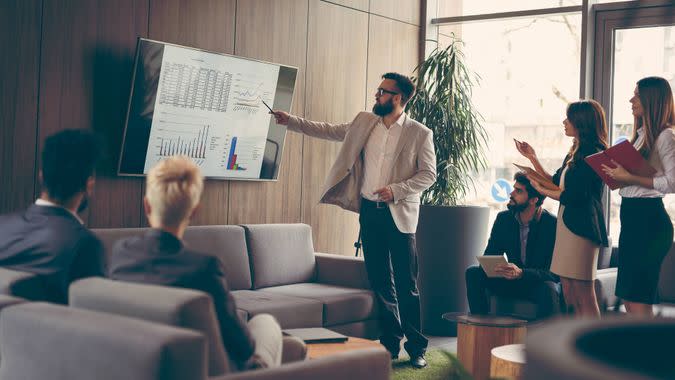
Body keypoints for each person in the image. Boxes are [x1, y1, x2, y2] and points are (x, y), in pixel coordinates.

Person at [272, 72, 436, 368]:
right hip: (370, 212)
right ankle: (389, 344)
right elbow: (331, 130)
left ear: (398, 97)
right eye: (377, 90)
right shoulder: (364, 122)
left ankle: (417, 348)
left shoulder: (420, 133)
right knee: (380, 282)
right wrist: (291, 121)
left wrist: (396, 190)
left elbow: (428, 175)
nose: (377, 95)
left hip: (400, 215)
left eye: (383, 91)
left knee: (406, 284)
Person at [108, 156, 282, 371]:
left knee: (294, 348)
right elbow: (243, 347)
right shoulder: (203, 268)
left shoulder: (121, 255)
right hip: (213, 371)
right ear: (194, 210)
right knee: (266, 323)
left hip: (144, 366)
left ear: (147, 205)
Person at [516, 100, 609, 317]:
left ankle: (592, 345)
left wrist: (541, 188)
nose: (564, 122)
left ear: (581, 122)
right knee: (568, 289)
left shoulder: (594, 153)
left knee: (584, 292)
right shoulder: (575, 153)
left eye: (569, 118)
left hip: (582, 228)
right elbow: (556, 181)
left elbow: (573, 195)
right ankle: (574, 339)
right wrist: (532, 159)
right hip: (568, 225)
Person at [0, 129, 105, 304]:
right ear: (89, 184)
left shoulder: (3, 225)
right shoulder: (84, 244)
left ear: (41, 176)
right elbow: (95, 310)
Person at [602, 76, 675, 316]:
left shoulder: (666, 136)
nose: (631, 100)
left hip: (649, 221)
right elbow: (631, 181)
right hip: (632, 219)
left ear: (651, 100)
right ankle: (640, 350)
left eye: (637, 95)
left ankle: (649, 352)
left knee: (638, 298)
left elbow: (672, 183)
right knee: (629, 300)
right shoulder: (641, 135)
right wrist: (616, 176)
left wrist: (628, 178)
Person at [465, 172, 560, 319]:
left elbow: (554, 274)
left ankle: (544, 339)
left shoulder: (551, 225)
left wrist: (521, 273)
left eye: (518, 191)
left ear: (534, 200)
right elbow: (490, 254)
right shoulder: (504, 219)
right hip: (509, 281)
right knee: (473, 273)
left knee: (549, 288)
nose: (511, 193)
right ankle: (481, 329)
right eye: (514, 188)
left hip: (534, 283)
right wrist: (498, 267)